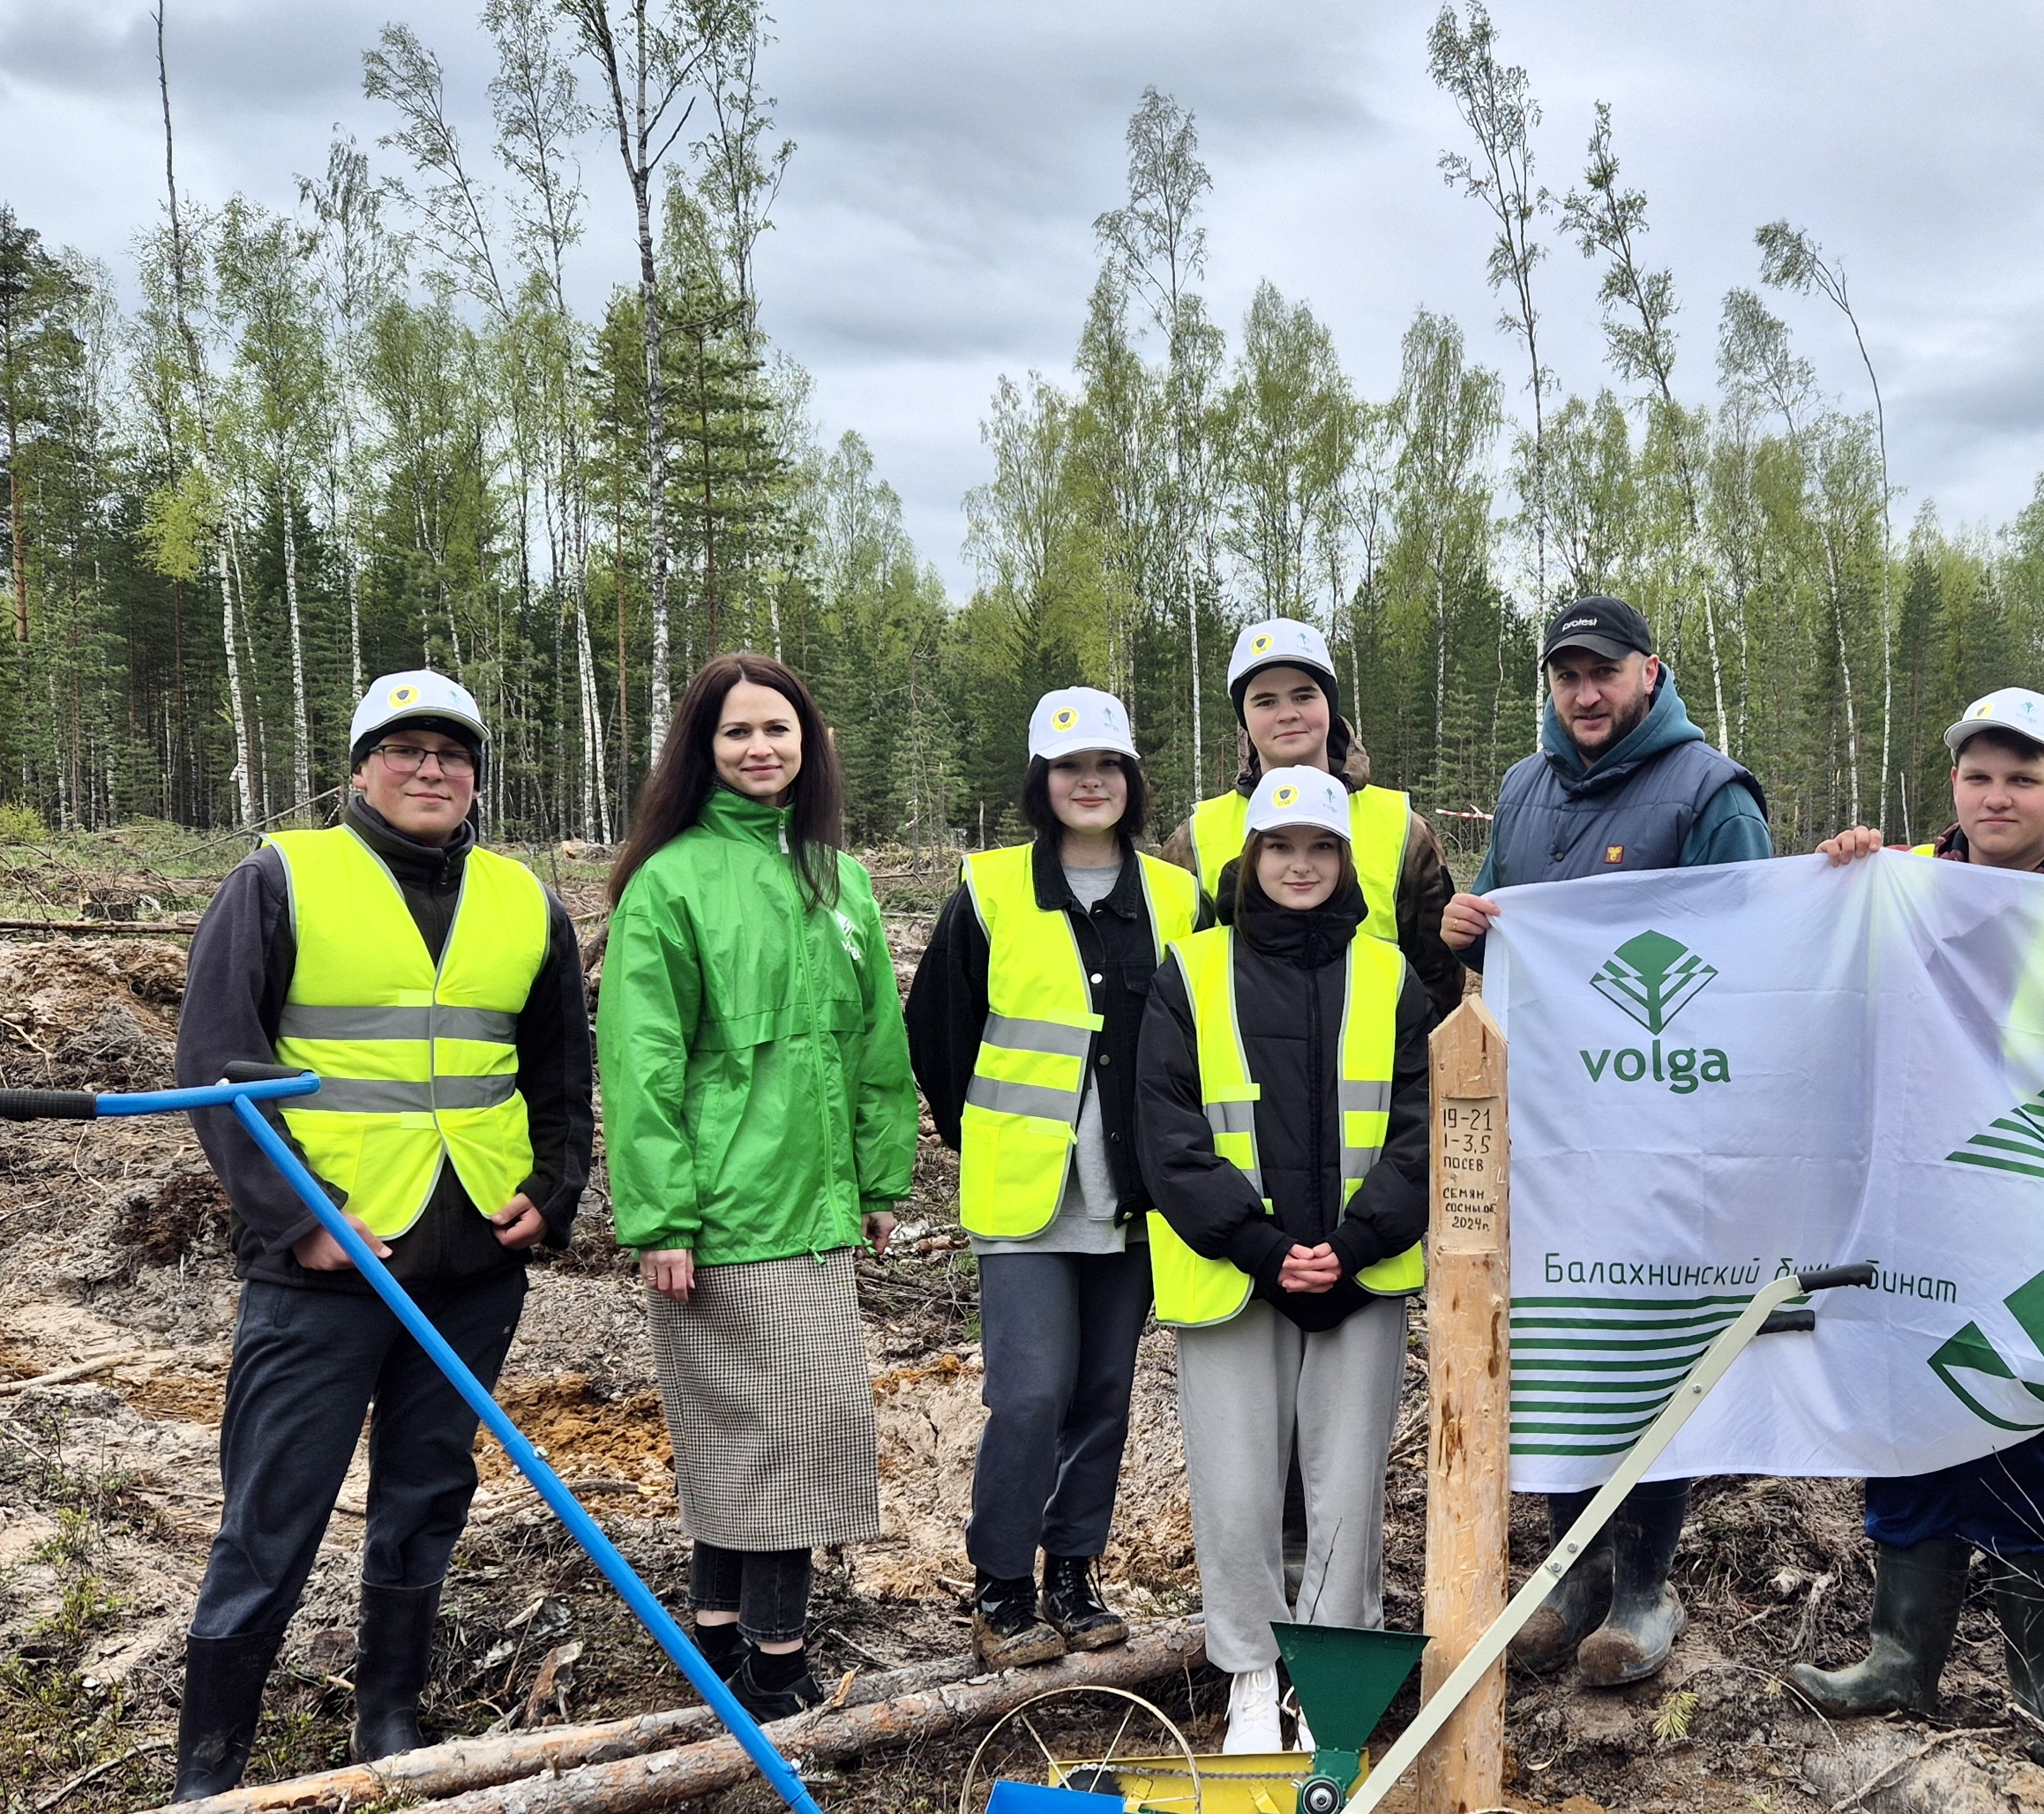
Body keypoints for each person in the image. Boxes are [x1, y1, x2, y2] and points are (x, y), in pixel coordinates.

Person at [168, 669, 592, 1800]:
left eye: (453, 754)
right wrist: (296, 1218)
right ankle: (210, 1768)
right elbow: (217, 1063)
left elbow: (558, 1070)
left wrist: (554, 1191)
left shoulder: (523, 900)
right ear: (362, 768)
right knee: (274, 1506)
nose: (432, 770)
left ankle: (387, 1720)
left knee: (427, 1490)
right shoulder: (280, 880)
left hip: (472, 1259)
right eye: (405, 749)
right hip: (327, 1263)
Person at [1441, 594, 1771, 1688]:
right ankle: (1569, 1577)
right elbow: (1501, 918)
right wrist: (1462, 921)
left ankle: (1643, 1589)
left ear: (1649, 674)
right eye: (1565, 675)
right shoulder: (1523, 790)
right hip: (1545, 1126)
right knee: (1555, 1347)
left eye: (1604, 672)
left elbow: (1757, 949)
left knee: (1640, 1351)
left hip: (1661, 1129)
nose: (1583, 694)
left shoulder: (1710, 794)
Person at [1793, 689, 2044, 1757]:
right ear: (1954, 787)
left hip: (2038, 1218)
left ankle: (2037, 1675)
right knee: (1909, 1431)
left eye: (2024, 778)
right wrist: (1842, 877)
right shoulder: (1903, 892)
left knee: (2027, 1436)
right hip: (1914, 1212)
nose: (1998, 795)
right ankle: (1903, 1659)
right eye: (1979, 775)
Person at [596, 656, 916, 1723]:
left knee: (768, 1432)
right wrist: (660, 1216)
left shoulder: (841, 879)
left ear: (807, 741)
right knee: (787, 1432)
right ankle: (774, 1676)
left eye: (776, 728)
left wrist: (879, 1177)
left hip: (817, 1204)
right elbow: (640, 1063)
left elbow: (876, 1043)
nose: (760, 749)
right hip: (725, 1213)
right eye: (736, 734)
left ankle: (721, 1654)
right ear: (703, 751)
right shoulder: (670, 882)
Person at [905, 689, 1200, 1671]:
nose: (1091, 783)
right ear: (1042, 782)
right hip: (1028, 1192)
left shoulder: (1173, 896)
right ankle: (999, 1588)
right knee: (1030, 1392)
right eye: (1072, 769)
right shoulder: (987, 892)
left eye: (1108, 767)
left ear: (1130, 781)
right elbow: (938, 1033)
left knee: (1104, 1396)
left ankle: (1072, 1573)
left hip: (1134, 1192)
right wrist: (979, 1132)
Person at [1141, 765, 1434, 1751]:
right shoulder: (1191, 969)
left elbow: (1419, 1127)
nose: (1298, 865)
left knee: (1348, 1484)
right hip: (1234, 1276)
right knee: (1234, 1488)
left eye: (1319, 848)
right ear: (1248, 859)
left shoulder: (1390, 972)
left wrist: (1352, 1245)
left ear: (1346, 862)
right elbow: (1168, 1130)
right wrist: (1263, 1246)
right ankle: (1251, 1674)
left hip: (1360, 1274)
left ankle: (1331, 1679)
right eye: (1279, 847)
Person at [1159, 616, 1466, 1015]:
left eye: (1304, 696)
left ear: (1329, 705)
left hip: (1373, 1069)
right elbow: (1174, 977)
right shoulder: (1197, 837)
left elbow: (1439, 980)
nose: (1287, 713)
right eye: (1266, 701)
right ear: (1244, 717)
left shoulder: (1403, 828)